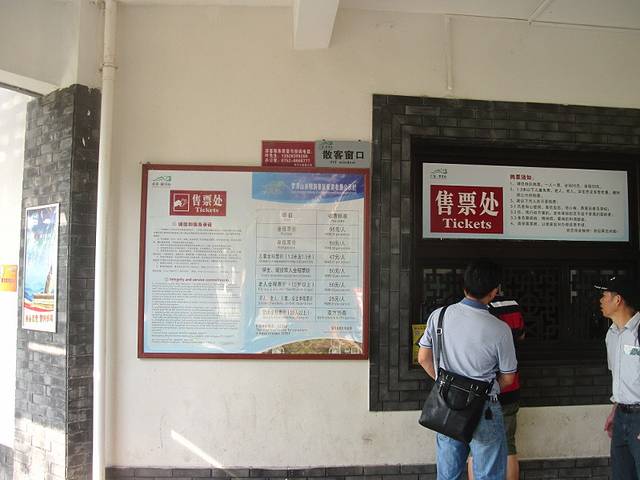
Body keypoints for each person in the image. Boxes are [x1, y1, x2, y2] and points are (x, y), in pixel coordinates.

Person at [418, 261, 517, 480]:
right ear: (494, 292)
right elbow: (509, 377)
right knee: (488, 475)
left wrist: (445, 384)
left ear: (464, 287)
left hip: (447, 404)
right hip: (485, 408)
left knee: (448, 475)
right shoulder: (500, 329)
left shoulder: (439, 316)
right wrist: (486, 391)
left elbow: (423, 358)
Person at [468, 296, 525, 480]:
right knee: (508, 444)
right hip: (510, 386)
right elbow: (521, 336)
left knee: (476, 445)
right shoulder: (512, 305)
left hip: (480, 389)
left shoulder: (473, 308)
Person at [596, 276, 640, 479]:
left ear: (618, 299)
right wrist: (615, 411)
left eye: (604, 295)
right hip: (622, 416)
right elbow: (618, 376)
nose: (600, 300)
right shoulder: (611, 335)